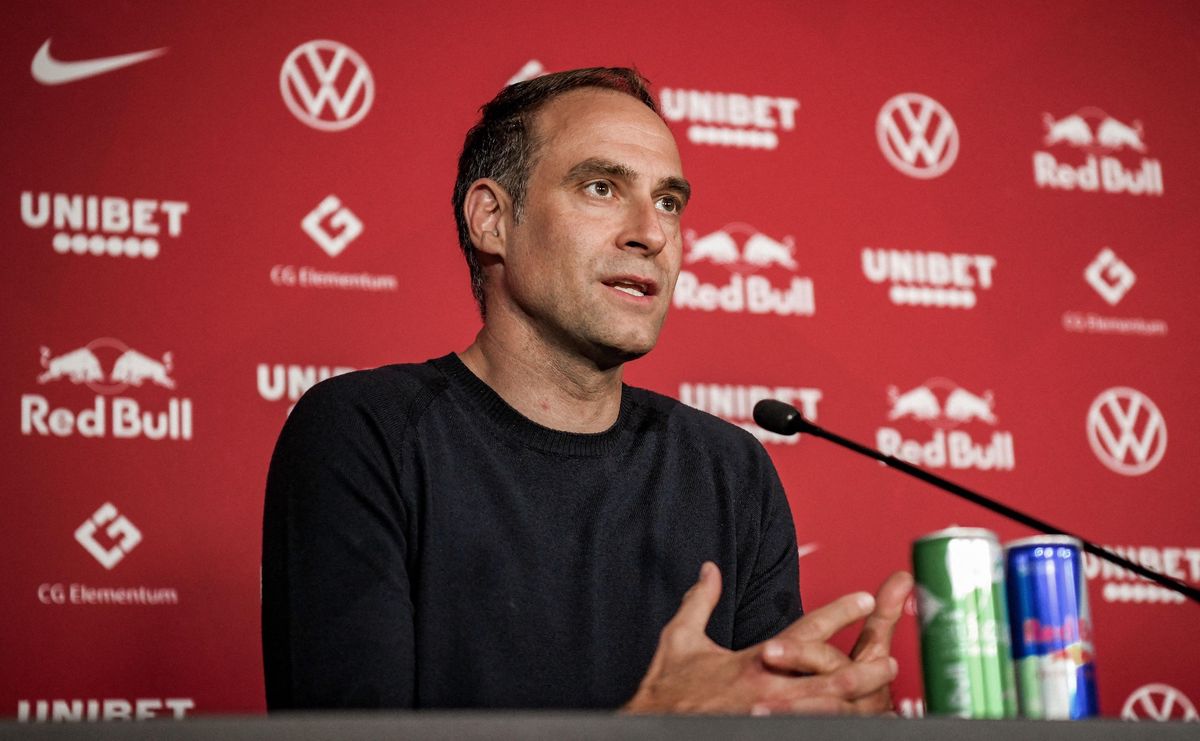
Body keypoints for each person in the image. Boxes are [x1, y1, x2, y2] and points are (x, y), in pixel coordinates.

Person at [262, 67, 912, 714]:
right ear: (492, 219)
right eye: (601, 187)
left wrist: (842, 728)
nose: (651, 233)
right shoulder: (364, 434)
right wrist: (653, 723)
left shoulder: (731, 470)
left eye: (669, 202)